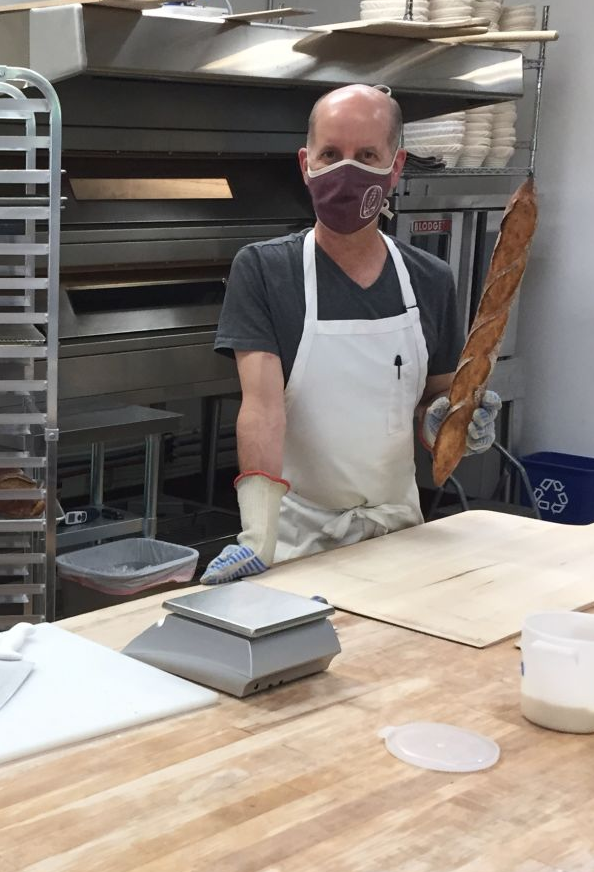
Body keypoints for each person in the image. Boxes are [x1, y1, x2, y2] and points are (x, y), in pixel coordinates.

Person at [202, 84, 501, 582]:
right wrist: (258, 533)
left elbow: (439, 397)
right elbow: (262, 408)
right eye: (331, 155)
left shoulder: (429, 279)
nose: (347, 172)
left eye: (367, 156)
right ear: (306, 165)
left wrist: (449, 424)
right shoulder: (266, 270)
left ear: (396, 166)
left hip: (401, 537)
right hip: (298, 542)